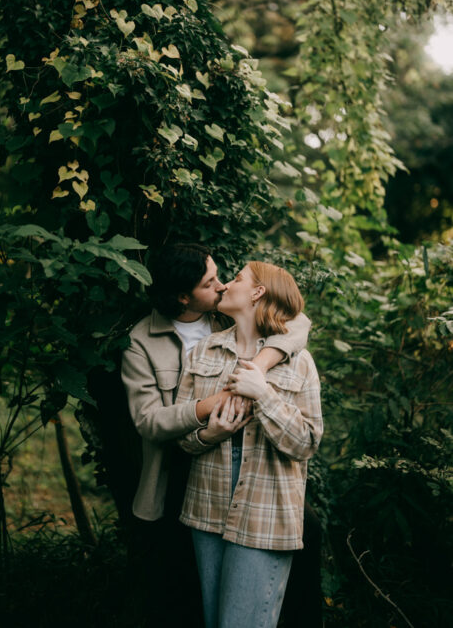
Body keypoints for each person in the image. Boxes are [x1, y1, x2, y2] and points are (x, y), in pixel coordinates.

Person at [120, 244, 313, 627]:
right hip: (178, 479)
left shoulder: (225, 320)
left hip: (258, 485)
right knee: (191, 605)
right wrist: (215, 408)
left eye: (226, 277)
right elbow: (149, 421)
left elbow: (297, 322)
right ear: (182, 296)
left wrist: (258, 370)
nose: (223, 286)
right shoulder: (143, 341)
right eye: (211, 283)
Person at [175, 261, 323, 628]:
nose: (224, 285)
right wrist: (209, 435)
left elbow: (307, 443)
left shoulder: (300, 362)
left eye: (237, 279)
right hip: (205, 509)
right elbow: (181, 435)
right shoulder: (203, 353)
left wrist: (264, 395)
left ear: (258, 292)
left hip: (266, 512)